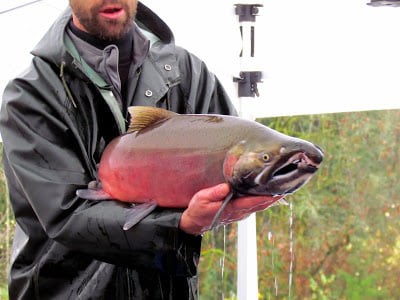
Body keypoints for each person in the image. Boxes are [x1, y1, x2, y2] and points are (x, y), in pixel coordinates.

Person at [0, 1, 282, 299]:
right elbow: (67, 214)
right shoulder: (30, 95)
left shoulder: (185, 71)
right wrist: (179, 225)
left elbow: (241, 150)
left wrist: (253, 189)